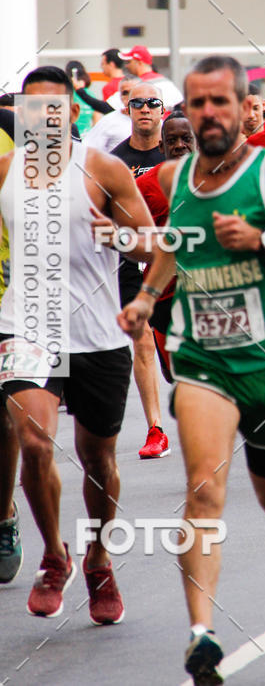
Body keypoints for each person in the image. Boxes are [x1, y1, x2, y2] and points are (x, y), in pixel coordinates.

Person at [117, 55, 265, 684]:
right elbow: (171, 243)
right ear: (184, 112)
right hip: (202, 361)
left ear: (248, 110)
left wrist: (262, 242)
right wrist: (143, 297)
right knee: (203, 489)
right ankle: (202, 634)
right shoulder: (173, 176)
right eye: (197, 102)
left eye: (221, 101)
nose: (208, 112)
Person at [0, 65, 153, 620]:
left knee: (98, 459)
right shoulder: (5, 171)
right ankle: (52, 556)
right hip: (26, 327)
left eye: (53, 107)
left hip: (96, 335)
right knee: (35, 443)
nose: (42, 117)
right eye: (31, 107)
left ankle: (98, 558)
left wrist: (122, 236)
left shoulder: (103, 169)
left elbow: (150, 246)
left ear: (71, 113)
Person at [111, 83, 169, 459]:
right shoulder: (115, 161)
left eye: (153, 103)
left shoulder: (178, 148)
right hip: (134, 263)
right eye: (137, 103)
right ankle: (155, 429)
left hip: (182, 263)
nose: (145, 108)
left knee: (176, 364)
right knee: (142, 340)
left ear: (163, 110)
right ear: (126, 109)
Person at [135, 111, 196, 387]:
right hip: (164, 294)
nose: (180, 145)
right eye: (172, 140)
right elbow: (128, 233)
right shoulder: (145, 186)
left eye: (187, 138)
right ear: (161, 147)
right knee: (174, 374)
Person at [119, 45, 183, 110]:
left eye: (129, 62)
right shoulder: (166, 81)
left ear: (139, 63)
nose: (126, 66)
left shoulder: (139, 84)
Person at [82, 76, 134, 154]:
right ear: (119, 96)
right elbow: (86, 152)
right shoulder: (108, 121)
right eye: (125, 93)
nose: (130, 97)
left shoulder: (155, 120)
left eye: (134, 92)